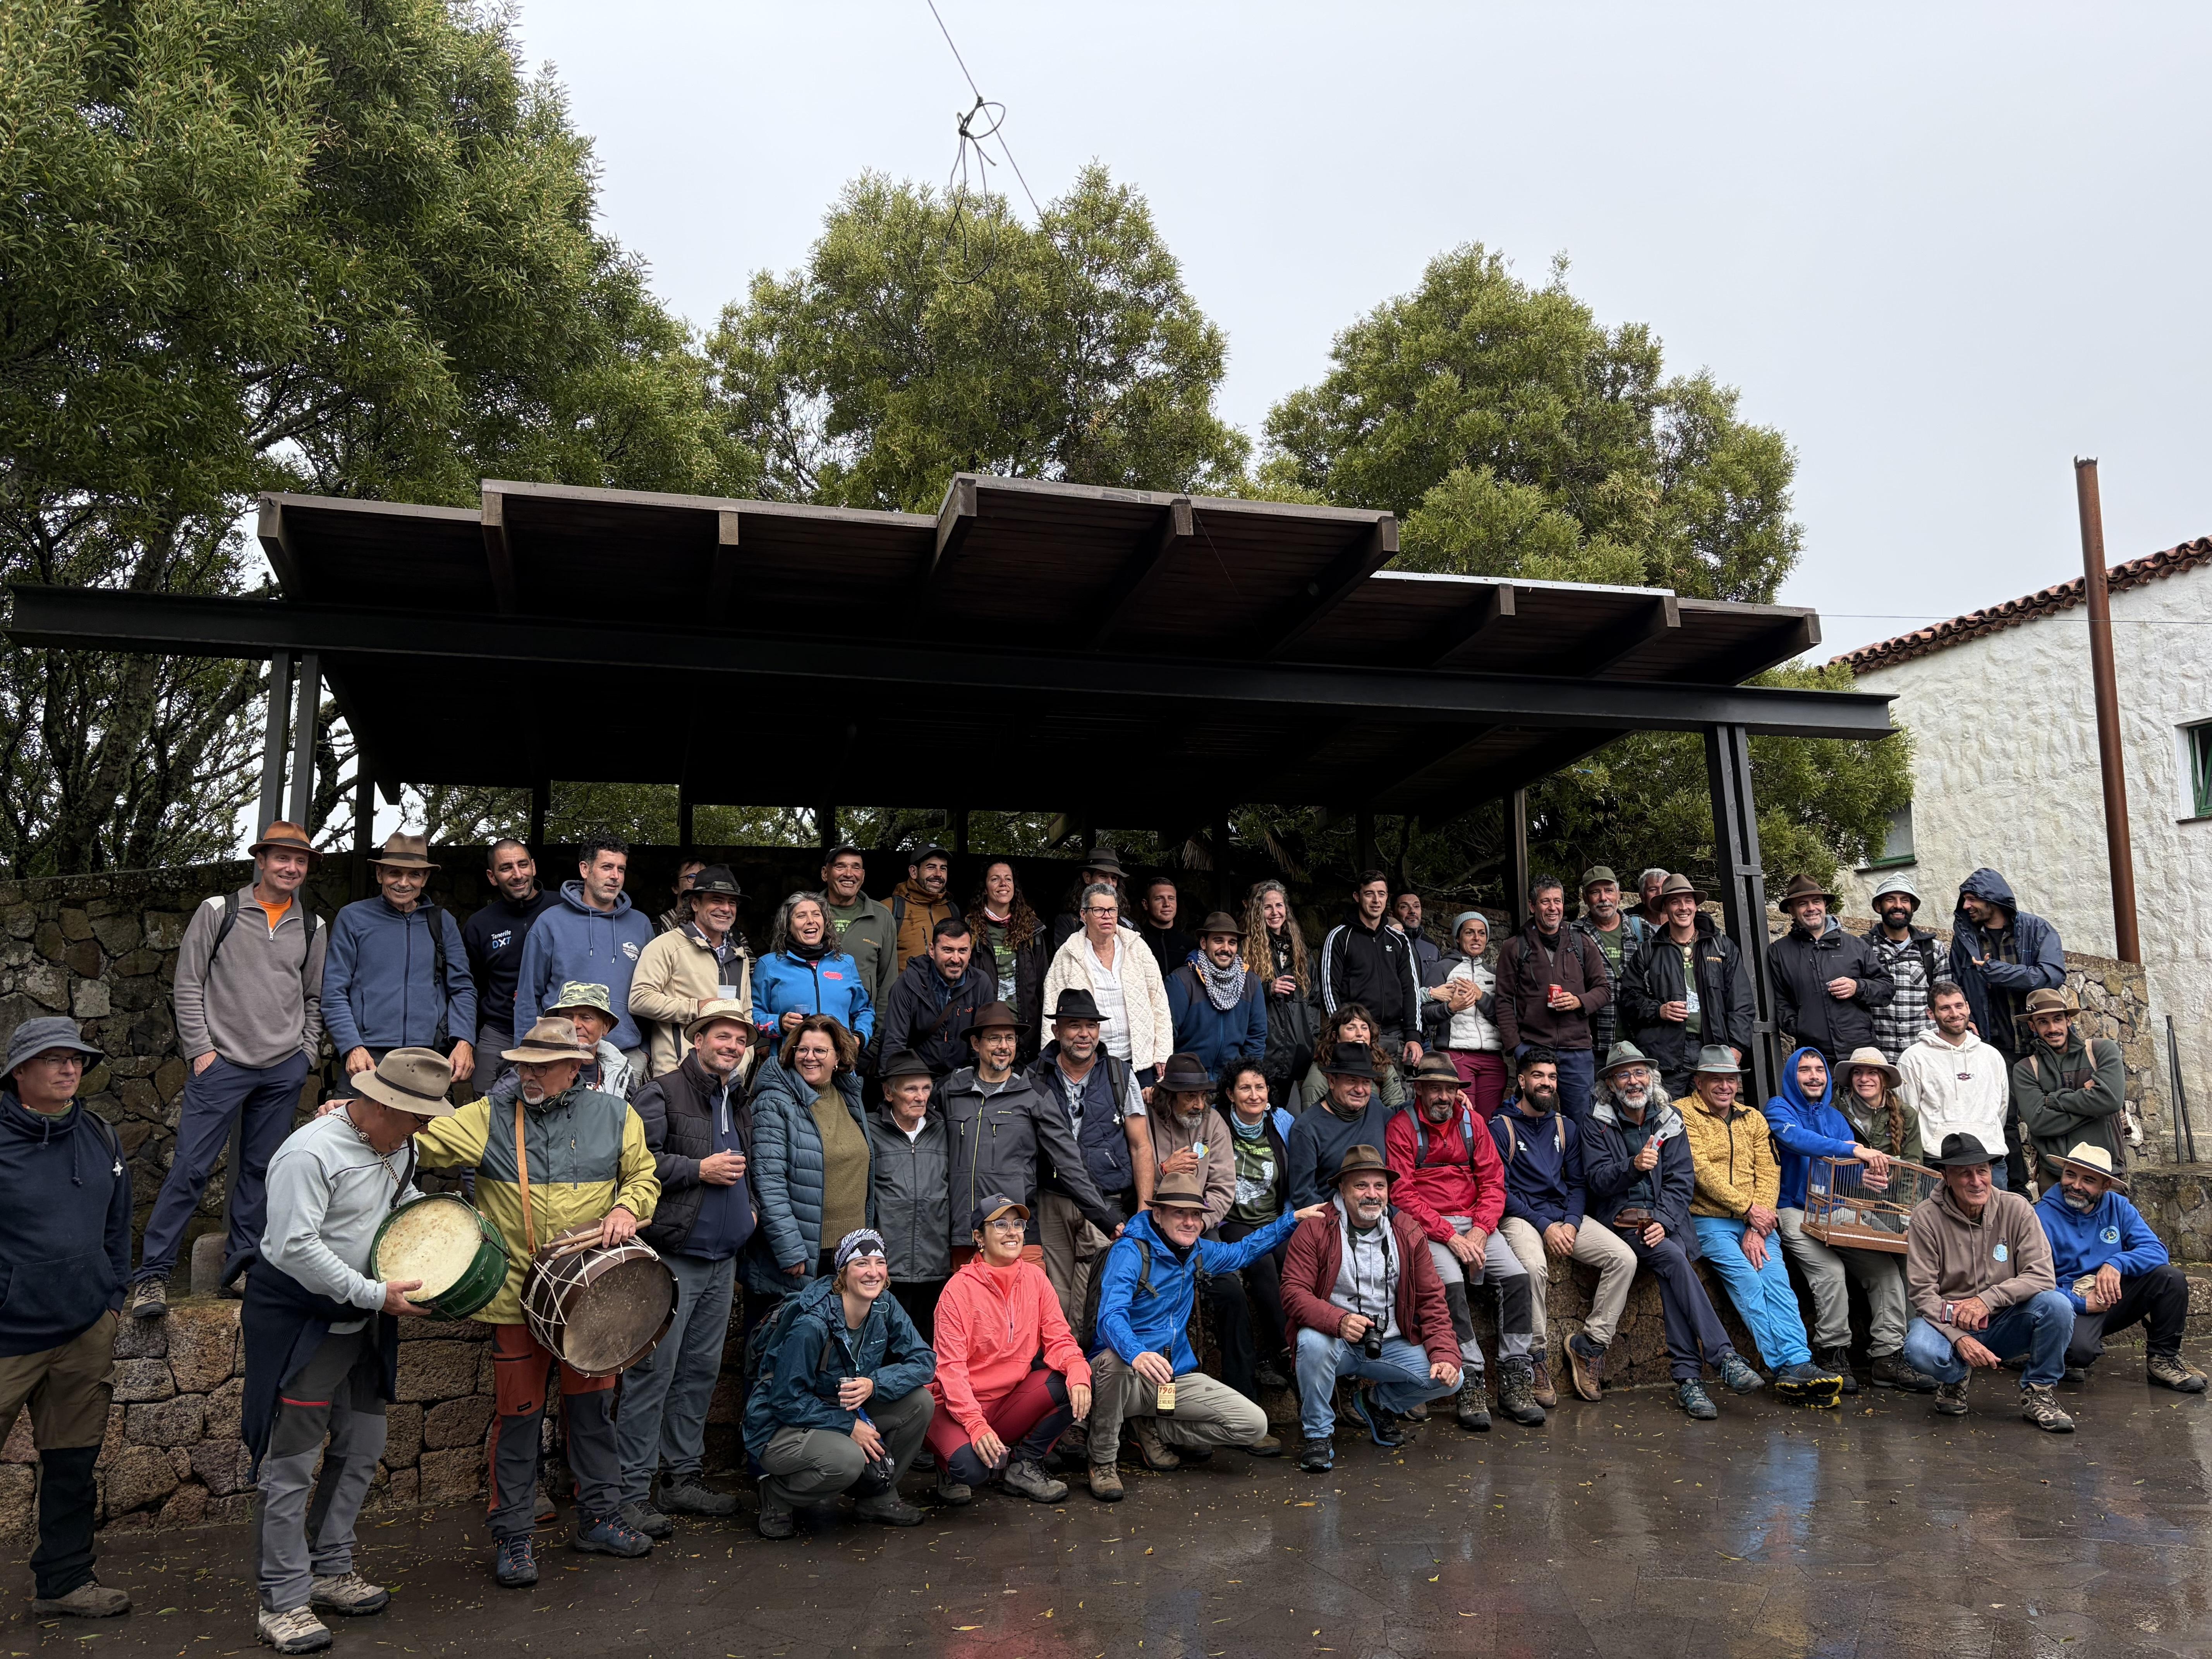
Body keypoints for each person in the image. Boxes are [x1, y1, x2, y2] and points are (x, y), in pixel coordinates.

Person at [405, 1017, 661, 1585]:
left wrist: (627, 1208)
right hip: (515, 1302)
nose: (529, 1074)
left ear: (578, 1068)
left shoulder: (618, 1115)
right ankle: (514, 1537)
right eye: (524, 1064)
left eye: (544, 1066)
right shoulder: (490, 1115)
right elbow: (418, 1138)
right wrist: (356, 1118)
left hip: (590, 1302)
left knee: (593, 1417)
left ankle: (599, 1518)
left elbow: (644, 1177)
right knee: (518, 1420)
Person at [244, 1048, 450, 1652]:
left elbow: (398, 1208)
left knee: (363, 1447)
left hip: (365, 1318)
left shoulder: (400, 1145)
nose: (427, 1128)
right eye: (420, 1116)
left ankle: (330, 1570)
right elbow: (293, 1246)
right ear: (384, 1104)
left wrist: (442, 1223)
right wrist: (372, 1294)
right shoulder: (309, 1154)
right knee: (290, 1464)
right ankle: (281, 1601)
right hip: (301, 1321)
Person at [136, 820, 327, 1316]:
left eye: (300, 860)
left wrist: (305, 1055)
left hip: (282, 1068)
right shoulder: (218, 911)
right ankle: (153, 1276)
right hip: (221, 1064)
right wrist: (201, 1050)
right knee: (191, 1168)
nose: (290, 867)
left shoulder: (313, 926)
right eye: (281, 858)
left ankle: (241, 1269)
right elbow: (188, 983)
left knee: (262, 1173)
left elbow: (314, 996)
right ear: (261, 861)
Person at [0, 1017, 131, 1619]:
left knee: (73, 1466)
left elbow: (118, 1226)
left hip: (83, 1331)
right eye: (52, 1059)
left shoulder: (100, 1136)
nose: (68, 1068)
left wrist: (111, 1299)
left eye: (76, 1059)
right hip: (8, 1338)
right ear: (18, 1072)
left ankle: (65, 1582)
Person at [1083, 1173, 1319, 1500]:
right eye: (1180, 1213)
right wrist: (1137, 1353)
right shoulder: (1130, 1252)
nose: (1190, 1222)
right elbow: (1110, 1317)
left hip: (1170, 1376)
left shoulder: (1197, 1251)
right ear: (1158, 1214)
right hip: (1124, 1377)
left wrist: (1291, 1220)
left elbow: (1242, 1252)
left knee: (1253, 1425)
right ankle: (1103, 1461)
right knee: (1116, 1360)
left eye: (1196, 1214)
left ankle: (1149, 1426)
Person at [619, 1002, 758, 1540]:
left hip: (722, 1260)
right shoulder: (661, 1093)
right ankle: (633, 1493)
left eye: (739, 1040)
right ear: (696, 1040)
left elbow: (748, 1164)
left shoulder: (733, 1095)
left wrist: (752, 1214)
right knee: (652, 1376)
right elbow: (637, 1164)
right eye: (722, 1037)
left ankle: (683, 1479)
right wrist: (699, 1170)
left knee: (699, 1374)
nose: (731, 1046)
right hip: (672, 1258)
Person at [1580, 1042, 1763, 1420]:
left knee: (1672, 1261)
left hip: (1667, 1220)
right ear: (1611, 1084)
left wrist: (1662, 1220)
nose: (1634, 1081)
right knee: (1673, 1257)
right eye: (1624, 1075)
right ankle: (1723, 1356)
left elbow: (1683, 1180)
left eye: (1640, 1072)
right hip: (1623, 1218)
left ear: (1651, 1077)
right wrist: (1632, 1167)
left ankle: (1689, 1381)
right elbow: (1597, 1182)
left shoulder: (1669, 1118)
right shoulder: (1596, 1121)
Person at [740, 1228, 936, 1539]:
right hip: (781, 1427)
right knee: (847, 1459)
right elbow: (785, 1401)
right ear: (843, 1272)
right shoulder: (811, 1324)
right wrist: (847, 1426)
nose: (872, 1272)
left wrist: (874, 1383)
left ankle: (877, 1496)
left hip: (844, 1409)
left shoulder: (885, 1304)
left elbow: (924, 1361)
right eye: (861, 1264)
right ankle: (778, 1495)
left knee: (920, 1403)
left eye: (880, 1262)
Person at [1385, 1053, 1544, 1428]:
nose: (1444, 1097)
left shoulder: (1473, 1123)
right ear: (1420, 1089)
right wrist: (1449, 1236)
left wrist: (1479, 1230)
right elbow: (1402, 1194)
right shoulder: (1401, 1127)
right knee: (1449, 1285)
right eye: (1436, 1089)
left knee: (1517, 1278)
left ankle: (1515, 1375)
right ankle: (1469, 1377)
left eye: (1450, 1090)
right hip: (1429, 1226)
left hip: (1475, 1224)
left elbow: (1494, 1183)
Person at [1281, 1146, 1462, 1472]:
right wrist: (1338, 1321)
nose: (1372, 1195)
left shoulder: (1407, 1231)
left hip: (1390, 1343)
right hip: (1336, 1341)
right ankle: (1318, 1435)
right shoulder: (1316, 1227)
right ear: (1342, 1189)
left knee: (1453, 1376)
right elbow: (1293, 1292)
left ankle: (1376, 1405)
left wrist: (1445, 1354)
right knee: (1311, 1342)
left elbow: (1432, 1299)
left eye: (1379, 1186)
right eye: (1361, 1186)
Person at [1679, 1046, 1843, 1406]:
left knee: (1777, 1282)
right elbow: (1699, 1170)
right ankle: (1784, 1366)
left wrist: (1759, 1220)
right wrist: (1747, 1208)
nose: (1726, 1087)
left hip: (1756, 1221)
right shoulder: (1682, 1114)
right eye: (1716, 1080)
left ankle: (1800, 1361)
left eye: (1732, 1080)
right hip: (1709, 1219)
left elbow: (1769, 1170)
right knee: (1749, 1282)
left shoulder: (1752, 1117)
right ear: (1699, 1081)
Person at [1763, 1047, 1932, 1395]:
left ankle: (1888, 1356)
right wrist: (1855, 1151)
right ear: (1792, 1075)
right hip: (1794, 1208)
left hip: (1835, 1206)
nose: (1813, 1077)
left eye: (1819, 1070)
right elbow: (1797, 1139)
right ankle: (1832, 1351)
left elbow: (1846, 1172)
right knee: (1831, 1272)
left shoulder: (1836, 1118)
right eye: (1805, 1070)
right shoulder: (1778, 1108)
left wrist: (1864, 1179)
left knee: (1884, 1271)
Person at [1488, 1049, 1639, 1407]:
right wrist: (1545, 1227)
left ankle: (1590, 1345)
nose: (1547, 1084)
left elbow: (1578, 1184)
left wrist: (1570, 1224)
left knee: (1624, 1258)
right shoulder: (1500, 1127)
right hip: (1521, 1218)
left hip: (1564, 1215)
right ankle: (1535, 1357)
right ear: (1522, 1081)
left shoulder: (1565, 1126)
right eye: (1539, 1076)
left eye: (1553, 1077)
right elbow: (1500, 1191)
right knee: (1532, 1267)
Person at [1901, 1133, 2077, 1432]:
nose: (1976, 1181)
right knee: (1919, 1349)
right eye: (1964, 1173)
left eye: (1982, 1171)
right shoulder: (1925, 1218)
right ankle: (1955, 1379)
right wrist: (1959, 1337)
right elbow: (1922, 1293)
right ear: (1945, 1176)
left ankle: (2039, 1393)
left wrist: (1987, 1300)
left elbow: (2042, 1275)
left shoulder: (2017, 1208)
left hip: (2005, 1320)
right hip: (1947, 1323)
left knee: (2057, 1305)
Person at [925, 1195, 1092, 1506]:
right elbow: (950, 1370)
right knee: (973, 1471)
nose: (1012, 1232)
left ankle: (1024, 1465)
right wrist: (975, 1424)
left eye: (1018, 1224)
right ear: (979, 1237)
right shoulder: (957, 1290)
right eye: (1000, 1225)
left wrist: (1080, 1372)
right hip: (954, 1408)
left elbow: (1059, 1339)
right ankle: (946, 1465)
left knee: (1073, 1383)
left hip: (1006, 1403)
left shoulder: (1036, 1279)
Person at [942, 1003, 1125, 1269]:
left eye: (1010, 1038)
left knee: (1029, 1309)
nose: (1004, 1047)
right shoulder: (949, 1091)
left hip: (1018, 1235)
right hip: (964, 1235)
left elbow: (1069, 1163)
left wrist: (1106, 1219)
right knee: (969, 1310)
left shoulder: (1034, 1095)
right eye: (994, 1038)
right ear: (975, 1043)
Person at [1028, 990, 1154, 1336]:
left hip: (1106, 1201)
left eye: (1091, 1026)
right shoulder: (1033, 1077)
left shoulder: (1119, 1074)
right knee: (1056, 1291)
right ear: (1056, 1032)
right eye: (1074, 1026)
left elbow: (1141, 1145)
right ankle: (1067, 1375)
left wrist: (1144, 1210)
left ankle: (1092, 1374)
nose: (1084, 1034)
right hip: (1051, 1199)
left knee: (1098, 1291)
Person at [2033, 1142, 2205, 1391]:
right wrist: (2082, 1303)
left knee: (2170, 1278)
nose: (2076, 1185)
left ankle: (2164, 1359)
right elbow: (2036, 1283)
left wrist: (2116, 1263)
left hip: (2111, 1296)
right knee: (2079, 1355)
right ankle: (2038, 1349)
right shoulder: (2041, 1216)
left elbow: (2157, 1251)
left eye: (2088, 1180)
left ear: (2105, 1186)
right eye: (2071, 1175)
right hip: (2069, 1302)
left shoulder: (2119, 1206)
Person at [323, 830, 476, 1085]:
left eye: (414, 874)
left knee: (426, 1127)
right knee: (359, 1127)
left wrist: (465, 1041)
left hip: (428, 1055)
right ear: (380, 874)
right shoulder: (353, 919)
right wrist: (351, 1046)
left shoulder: (441, 922)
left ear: (425, 878)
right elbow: (334, 990)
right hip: (368, 1057)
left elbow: (462, 988)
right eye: (395, 872)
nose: (404, 883)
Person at [1951, 870, 2068, 1191]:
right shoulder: (1966, 939)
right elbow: (1956, 982)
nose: (1966, 905)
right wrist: (1966, 1017)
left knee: (2055, 1116)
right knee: (2003, 1123)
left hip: (2041, 1045)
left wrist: (1994, 971)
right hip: (1993, 1046)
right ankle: (2016, 1193)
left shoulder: (2037, 930)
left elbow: (2051, 976)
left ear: (1992, 898)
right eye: (1965, 899)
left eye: (1972, 898)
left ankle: (2059, 1187)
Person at [746, 1016, 873, 1287]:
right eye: (802, 1050)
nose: (809, 1057)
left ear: (838, 1056)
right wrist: (790, 1249)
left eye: (820, 1051)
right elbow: (769, 1185)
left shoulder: (847, 1096)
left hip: (849, 1252)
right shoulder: (774, 1102)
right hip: (804, 1256)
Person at [514, 836, 657, 1075]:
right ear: (585, 869)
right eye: (607, 867)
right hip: (560, 1052)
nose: (615, 876)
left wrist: (645, 1050)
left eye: (621, 869)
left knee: (624, 1116)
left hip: (627, 1055)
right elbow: (529, 995)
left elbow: (654, 992)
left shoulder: (640, 925)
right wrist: (527, 1052)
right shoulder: (550, 923)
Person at [1618, 874, 1753, 1101]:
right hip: (1667, 1056)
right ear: (1665, 909)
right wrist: (1658, 1010)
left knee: (1713, 1120)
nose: (1683, 908)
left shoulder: (1721, 946)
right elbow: (1629, 999)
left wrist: (1737, 1048)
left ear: (1696, 905)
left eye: (1688, 901)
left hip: (1713, 1049)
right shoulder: (1648, 951)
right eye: (1675, 902)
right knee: (1669, 1119)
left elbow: (1742, 1001)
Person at [1493, 875, 1611, 1124]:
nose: (1553, 907)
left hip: (1577, 1050)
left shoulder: (1582, 943)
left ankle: (1580, 1165)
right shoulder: (1515, 947)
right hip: (1534, 1046)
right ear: (1533, 906)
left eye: (1557, 901)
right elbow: (1503, 1000)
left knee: (1582, 1123)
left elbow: (1603, 990)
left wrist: (1580, 1002)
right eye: (1545, 901)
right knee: (1533, 1118)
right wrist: (1516, 1047)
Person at [1041, 883, 1173, 1092]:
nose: (1107, 916)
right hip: (1090, 1063)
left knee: (1142, 1123)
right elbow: (1052, 1012)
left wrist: (1163, 1054)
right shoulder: (1068, 955)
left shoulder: (1137, 948)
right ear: (1084, 915)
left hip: (1140, 1063)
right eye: (1099, 910)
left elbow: (1159, 1003)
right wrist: (1051, 1064)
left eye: (1112, 910)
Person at [1215, 1059, 1297, 1395]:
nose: (1254, 1094)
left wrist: (1291, 1219)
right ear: (1230, 1094)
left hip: (1276, 1218)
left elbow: (1297, 1171)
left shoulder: (1283, 1122)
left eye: (1260, 1087)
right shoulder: (1216, 1124)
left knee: (1295, 1261)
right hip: (1233, 1221)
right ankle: (1285, 1349)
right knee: (1261, 1261)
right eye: (1245, 1088)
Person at [628, 864, 753, 1080]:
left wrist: (743, 1062)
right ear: (695, 903)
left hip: (728, 1078)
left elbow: (746, 1013)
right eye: (717, 900)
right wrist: (696, 1008)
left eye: (732, 902)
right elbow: (639, 1000)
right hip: (678, 1075)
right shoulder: (666, 946)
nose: (726, 908)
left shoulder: (738, 954)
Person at [460, 838, 561, 1084]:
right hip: (500, 1032)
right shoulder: (480, 924)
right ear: (492, 876)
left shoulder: (563, 907)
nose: (518, 875)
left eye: (523, 865)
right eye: (506, 868)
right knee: (486, 1111)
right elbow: (473, 985)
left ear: (534, 867)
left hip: (558, 1031)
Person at [867, 1052, 951, 1340]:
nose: (920, 1097)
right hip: (887, 1266)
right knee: (885, 1345)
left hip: (935, 1264)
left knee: (927, 1345)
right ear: (889, 1093)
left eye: (926, 1088)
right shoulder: (869, 1130)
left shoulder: (944, 1131)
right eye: (911, 1089)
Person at [1766, 874, 1893, 1066]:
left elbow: (1886, 989)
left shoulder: (1855, 945)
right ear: (1792, 911)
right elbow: (1781, 1001)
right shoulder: (1779, 952)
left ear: (1825, 905)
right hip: (1814, 1058)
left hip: (1861, 1051)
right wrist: (1801, 1026)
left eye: (1816, 901)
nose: (1811, 909)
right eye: (1803, 904)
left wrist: (1857, 987)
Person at [1897, 981, 2013, 1188]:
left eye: (1959, 1006)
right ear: (1931, 1014)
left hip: (1989, 1157)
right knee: (1937, 1221)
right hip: (1938, 1160)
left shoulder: (1991, 1056)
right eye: (1945, 1008)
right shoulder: (1913, 1058)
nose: (1954, 1013)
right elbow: (1908, 1113)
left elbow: (2001, 1108)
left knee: (1994, 1220)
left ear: (1968, 1007)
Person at [2013, 988, 2128, 1178]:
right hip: (2054, 1175)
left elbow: (2112, 1101)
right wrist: (2095, 1107)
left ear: (2068, 1020)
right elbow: (2040, 1123)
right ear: (2033, 1027)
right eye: (2043, 1022)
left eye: (2058, 1019)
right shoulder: (2026, 1069)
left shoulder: (2100, 1051)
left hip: (2106, 1172)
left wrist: (2053, 1101)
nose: (2052, 1029)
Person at [1319, 871, 1424, 1062]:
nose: (1376, 900)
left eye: (1382, 894)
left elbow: (1411, 990)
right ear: (1357, 897)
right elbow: (1328, 989)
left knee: (1399, 1093)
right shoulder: (1339, 937)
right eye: (1369, 894)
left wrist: (1414, 1035)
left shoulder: (1399, 940)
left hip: (1396, 1037)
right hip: (1357, 1038)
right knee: (1361, 1092)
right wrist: (1344, 1030)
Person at [752, 892, 875, 1049]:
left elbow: (864, 1010)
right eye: (801, 916)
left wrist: (860, 1037)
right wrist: (780, 1023)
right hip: (789, 1066)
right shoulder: (769, 965)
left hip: (837, 1064)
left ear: (825, 922)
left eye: (816, 915)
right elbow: (753, 1016)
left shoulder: (845, 963)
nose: (811, 921)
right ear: (788, 926)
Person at [877, 916, 996, 1077]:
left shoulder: (981, 984)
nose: (956, 959)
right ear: (932, 950)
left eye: (963, 951)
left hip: (963, 1079)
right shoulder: (910, 982)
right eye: (948, 950)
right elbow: (894, 1043)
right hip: (916, 1078)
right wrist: (896, 1088)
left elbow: (985, 1043)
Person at [1286, 1040, 1398, 1207]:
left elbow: (1405, 1116)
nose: (1360, 1090)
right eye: (1352, 1081)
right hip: (1332, 1218)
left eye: (1366, 1082)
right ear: (1331, 1081)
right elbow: (1303, 1196)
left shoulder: (1375, 1107)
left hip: (1377, 1212)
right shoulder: (1307, 1129)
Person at [1243, 880, 1320, 1113]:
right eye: (1268, 907)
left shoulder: (1300, 951)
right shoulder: (1248, 949)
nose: (1275, 912)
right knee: (1260, 1113)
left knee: (1283, 1116)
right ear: (1258, 911)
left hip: (1297, 1052)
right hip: (1265, 1052)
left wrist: (1312, 1040)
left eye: (1279, 906)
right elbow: (1239, 995)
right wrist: (1268, 989)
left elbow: (1314, 1002)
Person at [1165, 911, 1269, 1078]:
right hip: (1188, 1081)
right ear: (1204, 943)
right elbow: (1166, 1035)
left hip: (1231, 1082)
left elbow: (1257, 1037)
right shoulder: (1181, 981)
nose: (1226, 949)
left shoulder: (1251, 982)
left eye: (1232, 943)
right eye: (1219, 941)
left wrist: (1248, 1076)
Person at [1421, 912, 1505, 1117]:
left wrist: (1482, 998)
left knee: (1489, 1120)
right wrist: (1451, 1008)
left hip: (1493, 1058)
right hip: (1456, 1055)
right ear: (1458, 938)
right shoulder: (1442, 968)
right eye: (1470, 933)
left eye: (1482, 933)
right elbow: (1424, 1015)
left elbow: (1505, 1017)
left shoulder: (1495, 973)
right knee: (1463, 1117)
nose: (1477, 938)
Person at [967, 861, 1048, 1063]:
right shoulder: (970, 929)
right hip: (987, 1032)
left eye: (1008, 879)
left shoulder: (1033, 930)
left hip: (1025, 1033)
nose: (1003, 884)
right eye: (995, 879)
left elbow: (1043, 985)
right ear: (985, 889)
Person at [1147, 1053, 1234, 1230]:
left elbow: (1223, 1186)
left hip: (1198, 1222)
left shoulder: (1213, 1122)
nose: (1200, 1105)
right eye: (1191, 1096)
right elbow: (1132, 1187)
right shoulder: (1145, 1120)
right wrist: (1162, 1172)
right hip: (1153, 1219)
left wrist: (1201, 1223)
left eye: (1203, 1096)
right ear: (1170, 1096)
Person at [1863, 875, 1941, 1064]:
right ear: (1878, 907)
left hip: (1924, 1053)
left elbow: (1944, 999)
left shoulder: (1932, 949)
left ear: (1912, 907)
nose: (1898, 906)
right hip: (1879, 1054)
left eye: (1905, 900)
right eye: (1891, 900)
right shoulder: (1863, 948)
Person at [1574, 866, 1649, 1058]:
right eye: (1595, 893)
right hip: (1592, 1042)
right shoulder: (1574, 934)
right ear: (1585, 897)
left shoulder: (1641, 930)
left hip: (1638, 1042)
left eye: (1609, 891)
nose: (1603, 898)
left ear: (1619, 894)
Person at [820, 844, 898, 1018]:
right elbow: (776, 970)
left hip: (862, 1030)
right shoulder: (805, 912)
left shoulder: (882, 916)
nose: (849, 874)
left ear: (862, 876)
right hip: (811, 1030)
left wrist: (879, 1037)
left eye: (856, 867)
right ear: (825, 873)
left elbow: (887, 982)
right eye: (840, 866)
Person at [1297, 1004, 1408, 1115]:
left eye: (1364, 1028)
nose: (1360, 1034)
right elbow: (1314, 1123)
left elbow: (1396, 1113)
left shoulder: (1382, 1064)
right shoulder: (1319, 1074)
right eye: (1351, 1028)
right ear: (1336, 1036)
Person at [1835, 1046, 1925, 1167]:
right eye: (1858, 1073)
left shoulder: (1906, 1114)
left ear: (1885, 1079)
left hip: (1893, 1185)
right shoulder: (1835, 1112)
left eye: (1872, 1073)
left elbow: (1912, 1168)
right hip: (1845, 1184)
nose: (1864, 1079)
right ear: (1851, 1079)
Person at [1048, 844, 1136, 951]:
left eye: (1114, 878)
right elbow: (1066, 960)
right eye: (1103, 876)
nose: (1110, 883)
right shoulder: (1069, 922)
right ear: (1087, 878)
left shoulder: (1127, 923)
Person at [890, 844, 961, 974]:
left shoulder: (952, 910)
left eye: (943, 868)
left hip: (946, 992)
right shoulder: (890, 908)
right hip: (906, 992)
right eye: (931, 867)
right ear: (914, 872)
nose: (938, 874)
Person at [1137, 876, 1197, 976]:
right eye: (1159, 899)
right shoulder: (1137, 941)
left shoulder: (1190, 946)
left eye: (1171, 899)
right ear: (1146, 905)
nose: (1167, 904)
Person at [1390, 889, 1441, 979]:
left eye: (1417, 906)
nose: (1412, 911)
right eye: (1404, 907)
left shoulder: (1431, 946)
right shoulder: (1388, 943)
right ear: (1392, 914)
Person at [656, 857, 708, 934]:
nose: (699, 881)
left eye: (704, 876)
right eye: (691, 877)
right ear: (675, 888)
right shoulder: (659, 926)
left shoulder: (719, 922)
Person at [1631, 867, 1671, 931]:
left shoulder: (1685, 921)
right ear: (1642, 897)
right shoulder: (1629, 925)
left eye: (1665, 888)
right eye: (1653, 890)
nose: (1660, 894)